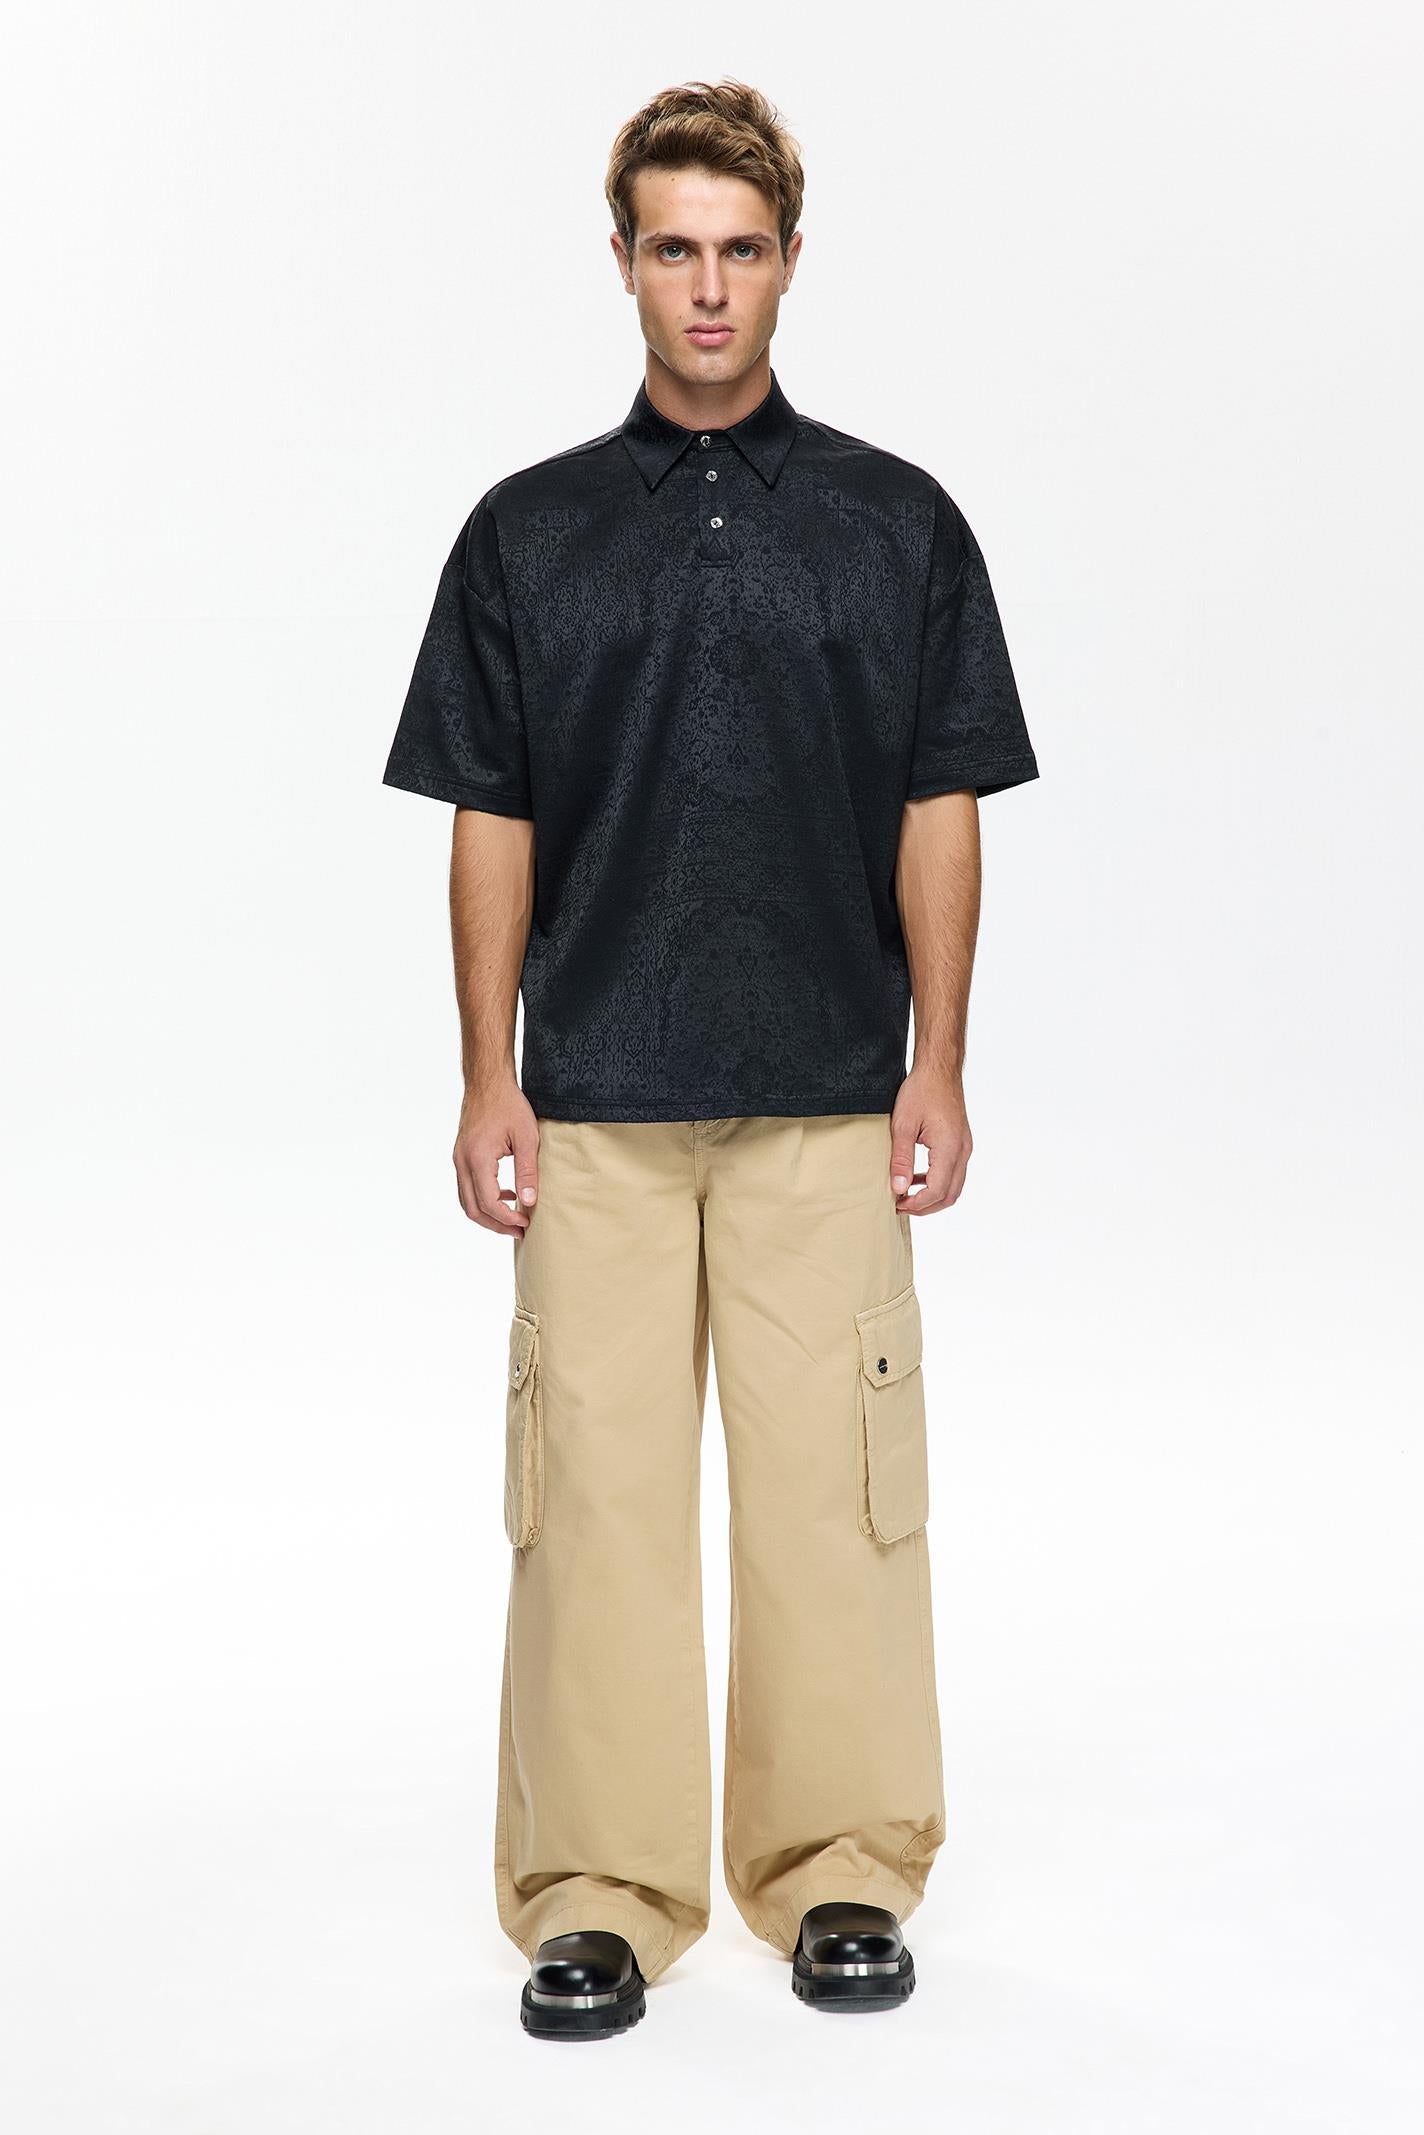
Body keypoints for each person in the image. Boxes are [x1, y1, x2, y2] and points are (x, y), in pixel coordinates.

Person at [382, 76, 1039, 2041]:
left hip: (830, 1095)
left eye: (740, 249)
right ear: (622, 261)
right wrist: (485, 1075)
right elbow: (488, 813)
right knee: (592, 1510)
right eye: (672, 248)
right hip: (593, 1100)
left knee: (837, 1505)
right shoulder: (529, 533)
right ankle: (596, 1892)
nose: (707, 287)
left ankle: (840, 1870)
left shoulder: (896, 523)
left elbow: (941, 800)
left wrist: (941, 1061)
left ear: (789, 263)